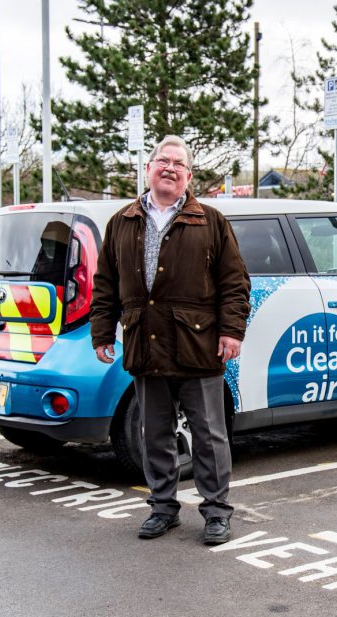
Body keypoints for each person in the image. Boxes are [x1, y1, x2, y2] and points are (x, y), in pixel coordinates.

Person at [90, 134, 250, 545]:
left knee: (210, 435)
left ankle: (216, 512)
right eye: (163, 160)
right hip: (146, 343)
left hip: (198, 347)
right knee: (155, 433)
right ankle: (163, 508)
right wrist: (102, 330)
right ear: (148, 169)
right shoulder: (122, 221)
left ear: (188, 174)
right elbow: (105, 283)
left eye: (178, 164)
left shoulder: (210, 221)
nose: (170, 168)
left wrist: (232, 331)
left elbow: (235, 282)